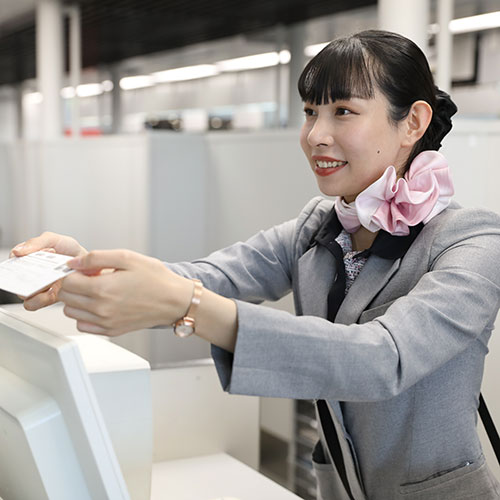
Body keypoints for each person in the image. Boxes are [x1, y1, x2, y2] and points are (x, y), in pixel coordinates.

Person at [12, 30, 500, 500]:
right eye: (311, 113)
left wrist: (191, 307)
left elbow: (380, 358)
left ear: (412, 123)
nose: (316, 135)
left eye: (343, 111)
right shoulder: (318, 227)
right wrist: (87, 266)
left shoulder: (471, 242)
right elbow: (212, 275)